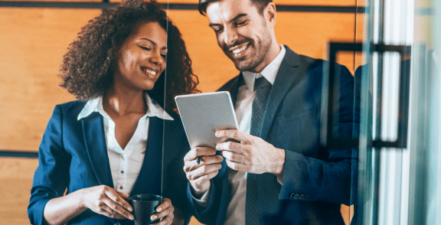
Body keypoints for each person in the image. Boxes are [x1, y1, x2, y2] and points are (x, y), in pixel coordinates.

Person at [183, 0, 359, 224]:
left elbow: (355, 181)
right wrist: (201, 190)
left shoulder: (329, 80)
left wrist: (278, 162)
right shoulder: (219, 98)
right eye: (218, 29)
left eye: (239, 22)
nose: (228, 38)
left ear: (270, 14)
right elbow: (212, 212)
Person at [27, 1, 198, 225]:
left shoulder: (175, 127)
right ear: (114, 48)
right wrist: (83, 198)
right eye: (146, 47)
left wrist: (171, 216)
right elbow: (38, 211)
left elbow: (182, 212)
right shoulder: (66, 120)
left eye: (164, 54)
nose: (158, 59)